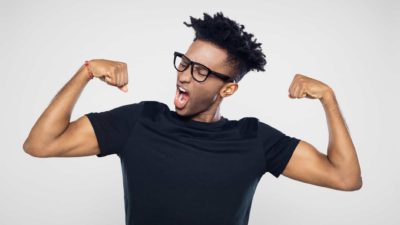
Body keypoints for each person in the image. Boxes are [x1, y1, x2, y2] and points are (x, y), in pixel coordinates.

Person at [23, 12, 362, 225]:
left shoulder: (254, 140)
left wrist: (328, 99)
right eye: (184, 63)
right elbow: (40, 144)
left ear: (227, 90)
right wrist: (86, 72)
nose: (183, 76)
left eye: (200, 71)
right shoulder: (140, 121)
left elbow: (345, 178)